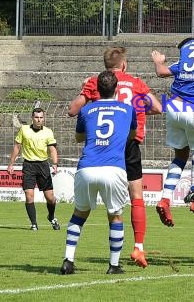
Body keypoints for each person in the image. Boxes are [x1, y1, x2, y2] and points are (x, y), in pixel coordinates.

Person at [67, 46, 161, 268]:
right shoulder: (135, 82)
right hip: (129, 142)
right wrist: (134, 112)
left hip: (101, 147)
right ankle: (138, 247)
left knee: (85, 209)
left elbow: (72, 110)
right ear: (124, 64)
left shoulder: (94, 82)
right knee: (136, 196)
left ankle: (69, 256)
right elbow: (157, 108)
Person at [60, 70, 137, 275]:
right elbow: (132, 135)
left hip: (87, 167)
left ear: (97, 89)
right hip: (113, 168)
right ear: (116, 88)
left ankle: (68, 260)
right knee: (115, 216)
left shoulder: (86, 110)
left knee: (79, 214)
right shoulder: (128, 109)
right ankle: (113, 265)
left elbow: (78, 138)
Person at [151, 31, 194, 222]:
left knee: (180, 157)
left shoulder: (187, 55)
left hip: (174, 106)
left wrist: (158, 60)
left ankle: (165, 199)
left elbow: (161, 71)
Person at [7, 108, 60, 231]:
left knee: (50, 198)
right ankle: (34, 224)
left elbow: (52, 149)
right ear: (32, 118)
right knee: (29, 195)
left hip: (43, 165)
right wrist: (11, 164)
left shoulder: (48, 132)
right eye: (37, 117)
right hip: (28, 166)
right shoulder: (24, 130)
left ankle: (51, 216)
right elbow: (17, 147)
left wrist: (55, 163)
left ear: (44, 118)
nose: (39, 120)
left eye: (41, 117)